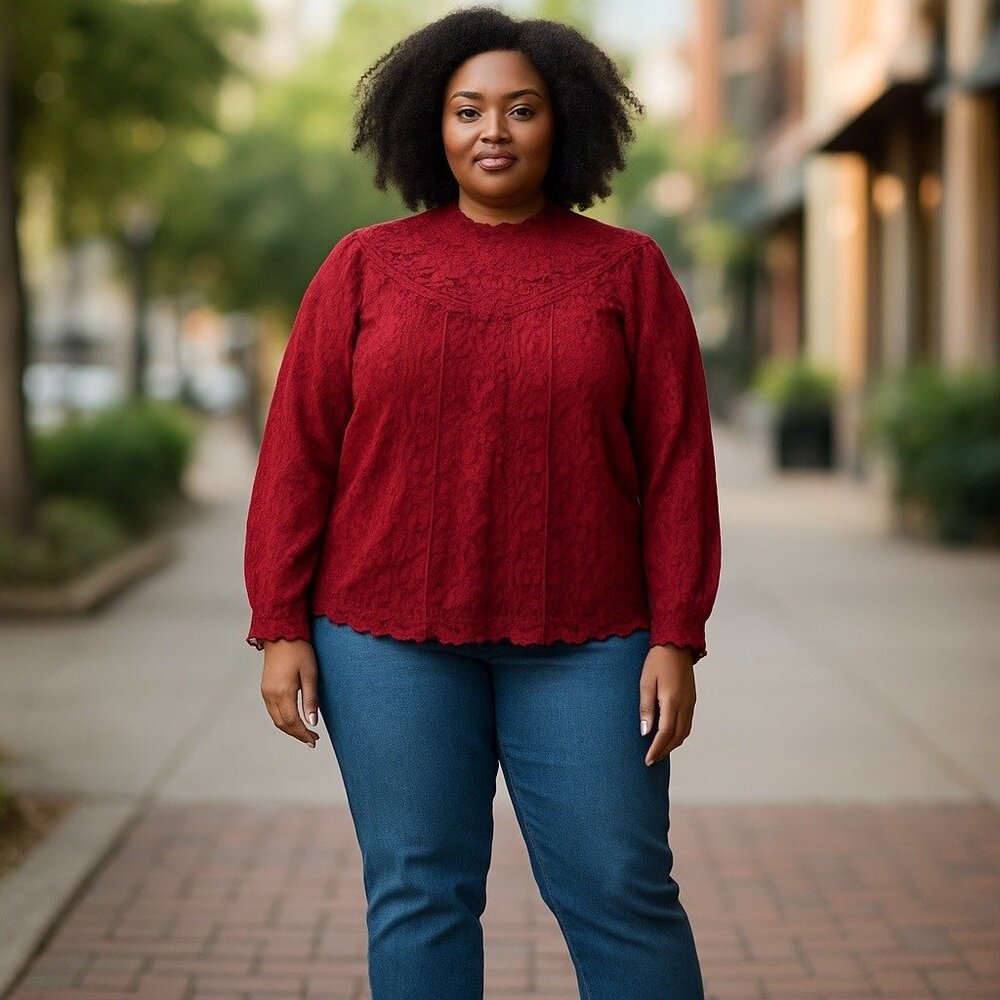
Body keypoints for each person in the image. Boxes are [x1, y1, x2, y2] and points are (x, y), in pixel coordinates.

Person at [243, 8, 722, 999]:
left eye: (520, 108)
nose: (492, 130)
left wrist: (676, 631)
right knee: (417, 894)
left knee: (621, 888)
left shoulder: (628, 271)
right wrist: (279, 620)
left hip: (592, 640)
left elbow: (676, 462)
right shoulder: (363, 266)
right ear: (433, 125)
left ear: (565, 125)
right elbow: (299, 449)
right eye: (468, 110)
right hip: (384, 638)